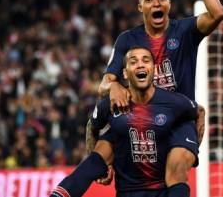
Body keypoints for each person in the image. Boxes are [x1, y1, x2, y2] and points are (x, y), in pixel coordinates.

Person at [90, 0, 223, 195]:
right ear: (140, 7)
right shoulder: (127, 39)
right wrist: (114, 86)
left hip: (179, 121)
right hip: (139, 122)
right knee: (103, 164)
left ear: (169, 4)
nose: (156, 3)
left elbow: (218, 13)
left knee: (177, 170)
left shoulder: (184, 31)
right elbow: (103, 85)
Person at [50, 47, 199, 197]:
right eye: (133, 62)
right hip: (127, 191)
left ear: (154, 69)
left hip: (162, 190)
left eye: (146, 61)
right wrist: (103, 167)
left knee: (177, 169)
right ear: (125, 73)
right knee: (108, 141)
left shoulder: (175, 103)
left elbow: (199, 112)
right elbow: (92, 126)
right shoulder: (110, 104)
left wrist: (192, 147)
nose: (140, 65)